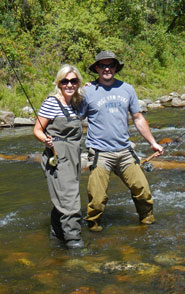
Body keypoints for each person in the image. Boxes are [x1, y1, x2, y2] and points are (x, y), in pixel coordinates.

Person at [79, 50, 164, 232]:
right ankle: (93, 230)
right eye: (103, 65)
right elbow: (75, 117)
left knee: (143, 191)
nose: (107, 69)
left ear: (116, 68)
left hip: (125, 152)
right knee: (97, 199)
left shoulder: (127, 89)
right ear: (96, 68)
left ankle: (147, 224)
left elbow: (138, 118)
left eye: (111, 65)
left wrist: (153, 142)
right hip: (100, 153)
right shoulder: (88, 91)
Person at [34, 64, 84, 249]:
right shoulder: (51, 102)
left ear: (78, 82)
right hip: (57, 155)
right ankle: (74, 242)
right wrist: (45, 140)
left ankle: (57, 235)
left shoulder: (77, 102)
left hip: (74, 156)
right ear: (59, 83)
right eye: (65, 81)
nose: (69, 84)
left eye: (73, 81)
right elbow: (37, 130)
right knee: (70, 198)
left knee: (64, 195)